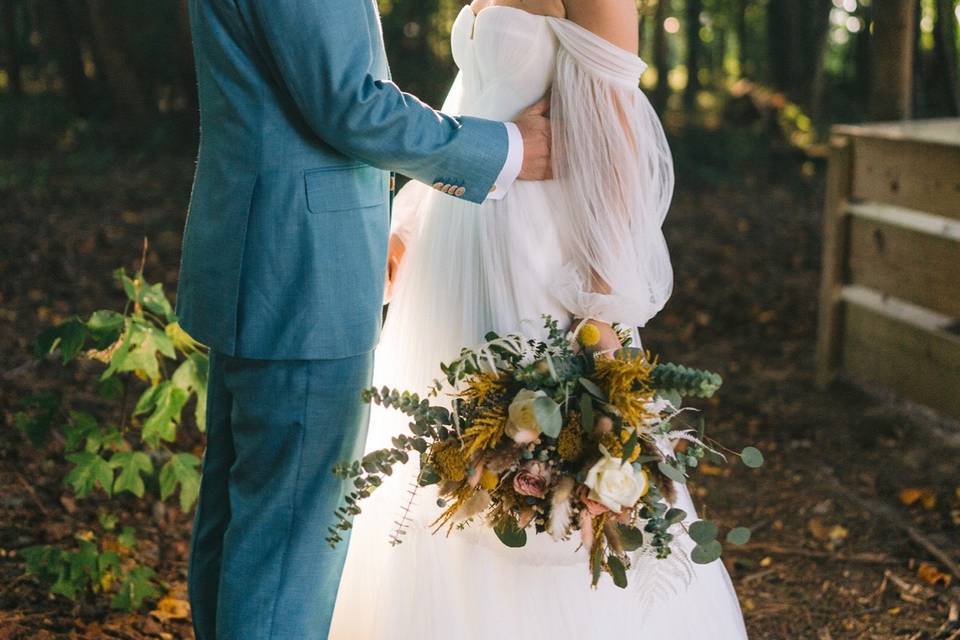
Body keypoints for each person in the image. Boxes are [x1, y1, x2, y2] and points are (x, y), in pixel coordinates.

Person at [329, 1, 749, 638]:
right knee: (445, 466)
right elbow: (473, 102)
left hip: (537, 258)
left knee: (535, 471)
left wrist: (602, 316)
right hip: (458, 246)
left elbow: (615, 150)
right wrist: (412, 220)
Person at [176, 1, 552, 638]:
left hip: (265, 249)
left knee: (246, 516)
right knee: (288, 534)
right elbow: (349, 103)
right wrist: (507, 149)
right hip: (301, 267)